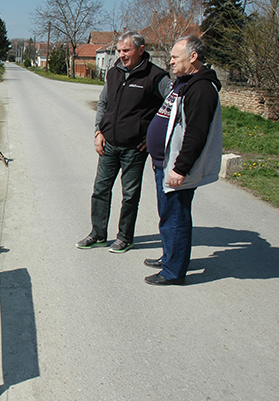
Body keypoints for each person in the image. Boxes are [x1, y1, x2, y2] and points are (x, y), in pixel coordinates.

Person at [77, 32, 172, 253]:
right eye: (119, 51)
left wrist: (153, 136)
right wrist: (98, 132)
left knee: (130, 194)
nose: (122, 55)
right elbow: (103, 103)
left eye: (126, 50)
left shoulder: (156, 77)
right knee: (100, 190)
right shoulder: (113, 73)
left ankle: (125, 237)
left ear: (141, 50)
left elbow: (172, 107)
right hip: (108, 143)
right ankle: (98, 234)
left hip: (134, 148)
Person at [144, 35, 223, 285]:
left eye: (175, 57)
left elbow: (196, 134)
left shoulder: (201, 89)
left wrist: (180, 168)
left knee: (176, 217)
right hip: (163, 163)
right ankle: (170, 257)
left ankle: (173, 272)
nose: (170, 61)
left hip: (176, 167)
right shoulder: (185, 82)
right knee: (167, 215)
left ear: (193, 57)